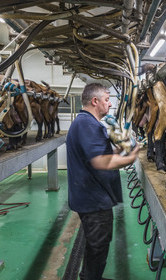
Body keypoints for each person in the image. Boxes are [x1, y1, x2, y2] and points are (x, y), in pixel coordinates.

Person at [66, 83, 140, 280]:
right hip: (93, 199)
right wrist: (131, 158)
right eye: (107, 100)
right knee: (98, 244)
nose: (109, 104)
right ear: (95, 101)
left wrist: (118, 151)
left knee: (95, 243)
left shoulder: (89, 123)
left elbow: (100, 153)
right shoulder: (87, 124)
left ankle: (91, 276)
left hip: (92, 197)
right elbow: (100, 161)